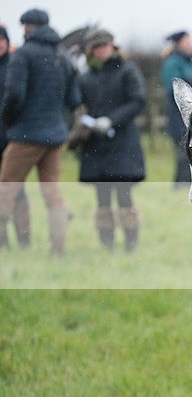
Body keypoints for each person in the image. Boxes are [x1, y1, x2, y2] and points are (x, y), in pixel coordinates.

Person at [0, 8, 80, 256]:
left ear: (26, 27)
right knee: (52, 195)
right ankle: (58, 250)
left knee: (5, 190)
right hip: (55, 136)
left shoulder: (23, 54)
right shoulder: (62, 55)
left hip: (25, 135)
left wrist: (8, 121)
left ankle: (3, 246)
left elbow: (14, 95)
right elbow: (74, 99)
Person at [76, 28, 146, 252]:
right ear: (90, 51)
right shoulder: (85, 77)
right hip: (96, 145)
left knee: (124, 196)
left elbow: (138, 101)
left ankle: (130, 245)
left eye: (104, 45)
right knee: (102, 198)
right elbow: (76, 102)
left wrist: (111, 120)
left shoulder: (127, 70)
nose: (102, 50)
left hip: (123, 144)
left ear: (113, 46)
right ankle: (107, 246)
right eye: (97, 47)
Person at [0, 24, 31, 249]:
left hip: (12, 137)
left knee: (17, 190)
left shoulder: (16, 65)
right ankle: (3, 241)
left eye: (1, 40)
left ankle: (24, 239)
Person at [160, 30, 192, 186]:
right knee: (183, 154)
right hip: (178, 115)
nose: (190, 44)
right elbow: (172, 90)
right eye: (187, 41)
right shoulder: (173, 63)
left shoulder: (189, 62)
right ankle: (181, 185)